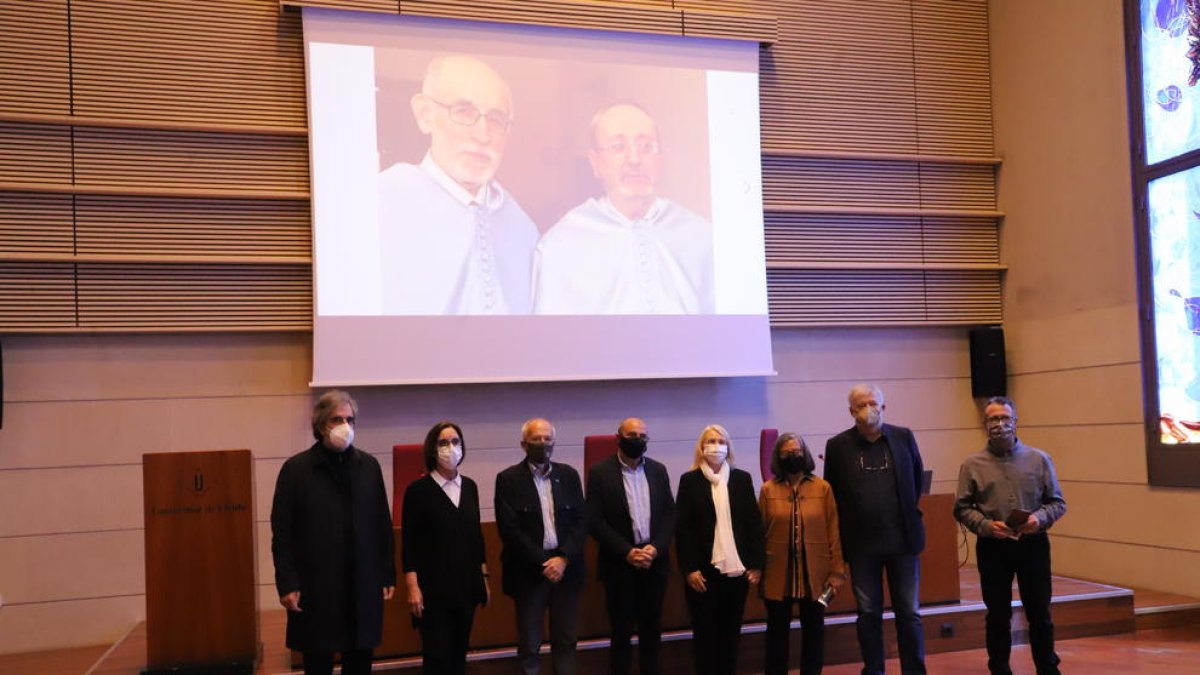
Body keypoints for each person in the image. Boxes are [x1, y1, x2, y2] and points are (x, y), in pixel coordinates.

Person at [378, 54, 538, 315]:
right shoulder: (377, 204)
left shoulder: (523, 228)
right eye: (463, 111)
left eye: (496, 119)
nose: (482, 135)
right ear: (425, 114)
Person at [533, 102, 713, 315]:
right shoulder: (559, 246)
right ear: (595, 162)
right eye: (618, 147)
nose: (635, 159)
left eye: (646, 146)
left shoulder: (702, 235)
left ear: (660, 158)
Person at [270, 390, 396, 675]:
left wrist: (387, 572)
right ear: (320, 424)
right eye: (336, 419)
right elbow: (283, 533)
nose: (345, 426)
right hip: (317, 586)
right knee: (318, 661)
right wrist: (287, 582)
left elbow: (381, 524)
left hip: (361, 582)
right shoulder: (296, 470)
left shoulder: (369, 466)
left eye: (349, 419)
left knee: (360, 658)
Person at [954, 396, 1067, 675]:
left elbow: (1057, 502)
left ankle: (1048, 668)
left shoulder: (1039, 459)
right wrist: (985, 526)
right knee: (998, 615)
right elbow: (962, 508)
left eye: (1005, 418)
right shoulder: (972, 465)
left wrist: (1037, 519)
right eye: (993, 418)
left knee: (1040, 612)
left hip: (1033, 544)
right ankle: (1000, 669)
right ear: (984, 424)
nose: (1000, 424)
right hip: (994, 546)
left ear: (1016, 422)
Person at [823, 384, 927, 675]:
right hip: (861, 546)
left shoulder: (904, 437)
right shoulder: (838, 445)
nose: (868, 408)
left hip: (903, 542)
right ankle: (873, 670)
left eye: (873, 403)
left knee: (909, 613)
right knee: (868, 614)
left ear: (884, 406)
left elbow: (916, 480)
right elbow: (833, 494)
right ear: (851, 411)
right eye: (860, 404)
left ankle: (914, 671)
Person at [494, 418, 588, 675]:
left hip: (566, 570)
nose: (543, 444)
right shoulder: (508, 479)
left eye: (548, 438)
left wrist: (563, 559)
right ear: (524, 444)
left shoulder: (568, 475)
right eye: (537, 439)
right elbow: (509, 530)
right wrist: (544, 562)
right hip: (529, 573)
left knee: (566, 642)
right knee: (529, 645)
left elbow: (582, 521)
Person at [586, 417, 677, 675]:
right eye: (631, 434)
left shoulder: (658, 470)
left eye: (642, 435)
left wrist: (656, 548)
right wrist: (627, 552)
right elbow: (594, 520)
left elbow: (670, 514)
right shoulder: (600, 473)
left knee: (652, 632)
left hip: (654, 563)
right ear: (619, 437)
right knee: (621, 634)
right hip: (619, 566)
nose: (637, 439)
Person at [401, 421, 490, 675]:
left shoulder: (470, 487)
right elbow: (410, 545)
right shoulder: (417, 491)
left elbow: (477, 536)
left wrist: (484, 577)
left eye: (455, 441)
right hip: (433, 591)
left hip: (466, 587)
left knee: (459, 655)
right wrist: (412, 587)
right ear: (432, 449)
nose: (450, 448)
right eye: (443, 442)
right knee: (437, 658)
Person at [675, 424, 764, 675]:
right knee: (705, 634)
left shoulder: (741, 479)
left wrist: (756, 564)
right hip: (702, 573)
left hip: (737, 573)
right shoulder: (689, 481)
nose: (716, 446)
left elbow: (752, 523)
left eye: (721, 441)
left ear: (728, 446)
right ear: (701, 448)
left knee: (730, 633)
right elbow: (683, 529)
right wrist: (689, 569)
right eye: (710, 441)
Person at [759, 432, 846, 675]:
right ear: (778, 457)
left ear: (805, 454)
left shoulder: (823, 488)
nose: (792, 456)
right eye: (786, 453)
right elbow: (760, 533)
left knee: (814, 632)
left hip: (815, 576)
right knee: (776, 634)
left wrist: (837, 573)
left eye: (796, 451)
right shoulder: (767, 490)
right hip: (778, 575)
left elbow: (834, 532)